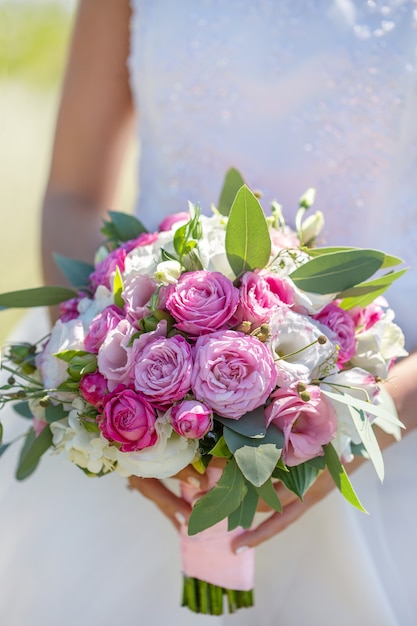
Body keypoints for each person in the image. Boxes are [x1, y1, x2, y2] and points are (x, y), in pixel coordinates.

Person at [1, 1, 417, 624]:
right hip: (146, 423)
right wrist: (126, 401)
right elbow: (72, 196)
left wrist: (374, 417)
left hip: (389, 415)